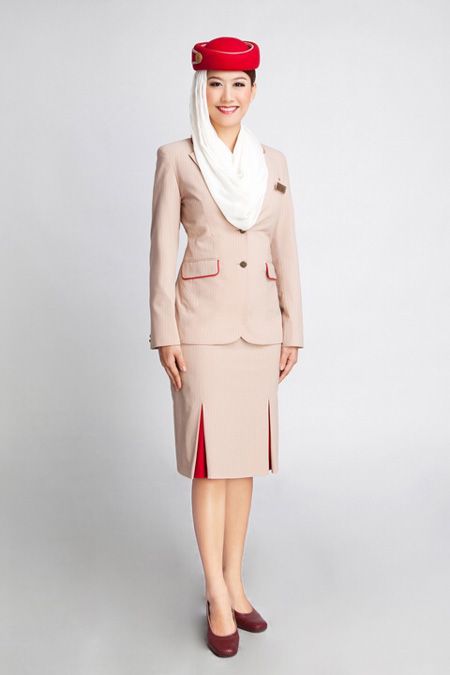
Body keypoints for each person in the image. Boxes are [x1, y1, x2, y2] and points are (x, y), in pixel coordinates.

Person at [148, 36, 304, 657]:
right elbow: (162, 251)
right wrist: (165, 332)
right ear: (201, 88)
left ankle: (236, 583)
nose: (227, 95)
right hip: (201, 329)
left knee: (244, 465)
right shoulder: (176, 158)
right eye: (216, 82)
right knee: (210, 464)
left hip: (260, 331)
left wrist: (293, 327)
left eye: (239, 83)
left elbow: (285, 248)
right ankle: (215, 592)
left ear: (254, 90)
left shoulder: (274, 162)